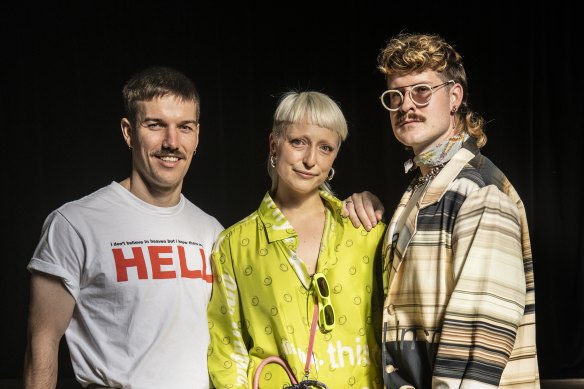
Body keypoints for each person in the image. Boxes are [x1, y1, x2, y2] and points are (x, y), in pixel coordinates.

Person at [347, 32, 540, 388]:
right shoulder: (422, 186)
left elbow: (476, 351)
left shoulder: (479, 192)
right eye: (396, 96)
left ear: (454, 97)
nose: (406, 105)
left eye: (421, 91)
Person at [23, 66, 224, 389]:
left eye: (184, 127)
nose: (171, 142)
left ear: (197, 136)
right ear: (129, 132)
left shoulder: (212, 231)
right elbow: (42, 344)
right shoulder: (75, 224)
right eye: (155, 125)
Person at [206, 90, 387, 388]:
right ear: (274, 144)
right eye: (298, 142)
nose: (310, 160)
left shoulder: (366, 230)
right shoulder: (235, 245)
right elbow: (227, 351)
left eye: (325, 147)